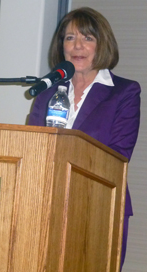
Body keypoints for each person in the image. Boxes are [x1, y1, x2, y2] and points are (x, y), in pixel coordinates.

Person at [28, 7, 141, 270]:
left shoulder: (123, 92)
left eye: (87, 38)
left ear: (103, 45)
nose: (77, 46)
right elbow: (33, 146)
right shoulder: (47, 92)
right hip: (45, 204)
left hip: (98, 207)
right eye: (69, 38)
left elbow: (118, 155)